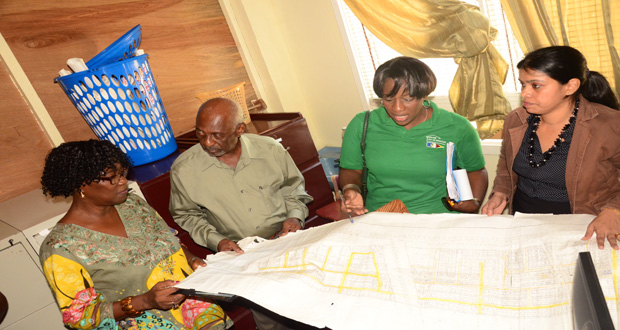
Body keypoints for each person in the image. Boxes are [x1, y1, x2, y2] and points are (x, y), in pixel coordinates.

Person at [39, 140, 232, 330]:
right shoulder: (60, 247)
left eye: (122, 173)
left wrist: (192, 260)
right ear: (81, 184)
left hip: (199, 314)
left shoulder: (132, 204)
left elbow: (170, 240)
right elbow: (78, 318)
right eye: (112, 177)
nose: (123, 181)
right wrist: (144, 301)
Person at [481, 45, 620, 250]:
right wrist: (501, 192)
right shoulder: (517, 119)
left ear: (570, 86)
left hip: (583, 226)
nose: (525, 93)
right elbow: (506, 162)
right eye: (523, 84)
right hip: (525, 223)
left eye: (536, 85)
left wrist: (614, 211)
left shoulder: (609, 125)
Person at [339, 56, 488, 215]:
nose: (397, 108)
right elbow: (351, 170)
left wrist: (474, 201)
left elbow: (476, 170)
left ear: (424, 94)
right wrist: (350, 189)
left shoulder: (457, 127)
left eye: (407, 99)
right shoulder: (362, 125)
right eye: (388, 99)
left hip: (438, 219)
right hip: (381, 217)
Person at [169, 97, 312, 254]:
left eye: (217, 135)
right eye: (200, 133)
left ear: (240, 129)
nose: (208, 142)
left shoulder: (271, 150)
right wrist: (217, 241)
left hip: (285, 237)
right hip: (239, 251)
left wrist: (295, 216)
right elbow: (186, 214)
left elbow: (292, 189)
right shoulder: (184, 170)